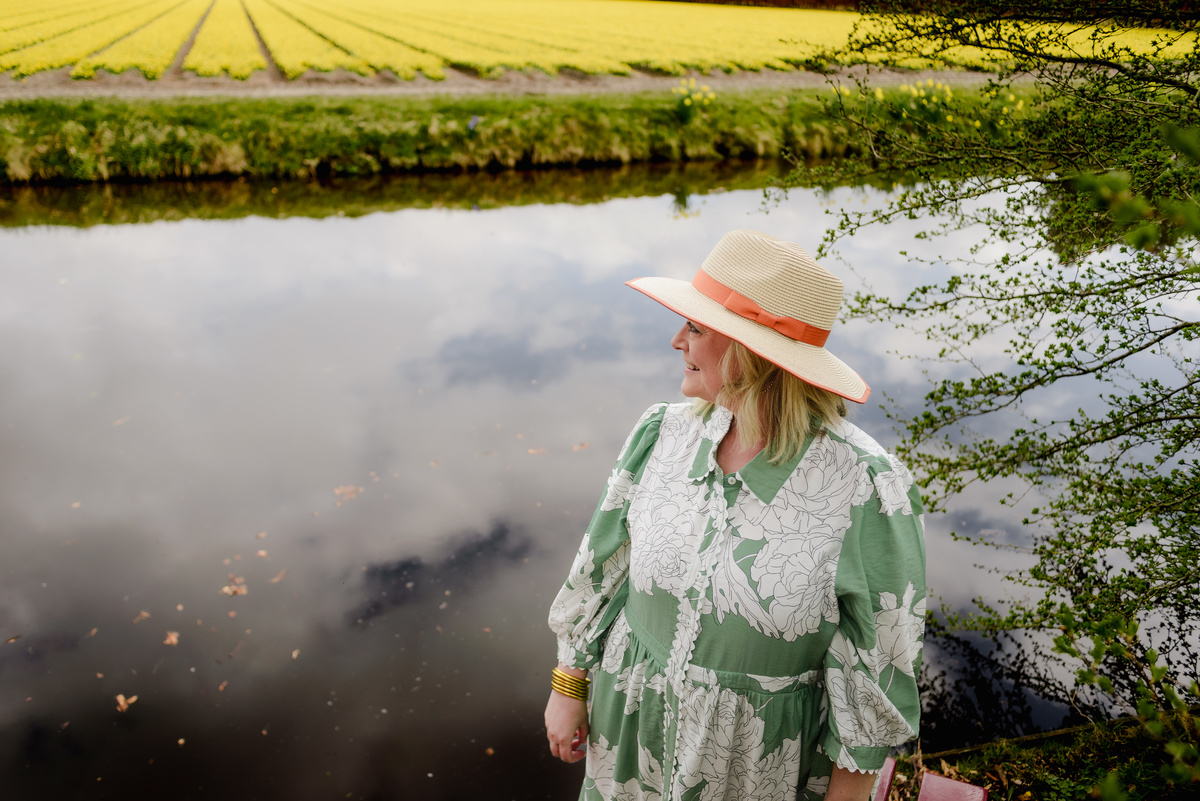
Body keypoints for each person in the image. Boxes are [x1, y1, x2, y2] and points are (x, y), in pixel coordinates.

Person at [546, 230, 926, 801]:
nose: (676, 340)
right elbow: (602, 564)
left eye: (696, 328)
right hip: (629, 736)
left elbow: (881, 667)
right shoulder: (661, 433)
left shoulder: (865, 484)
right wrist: (569, 682)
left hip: (755, 769)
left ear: (754, 354)